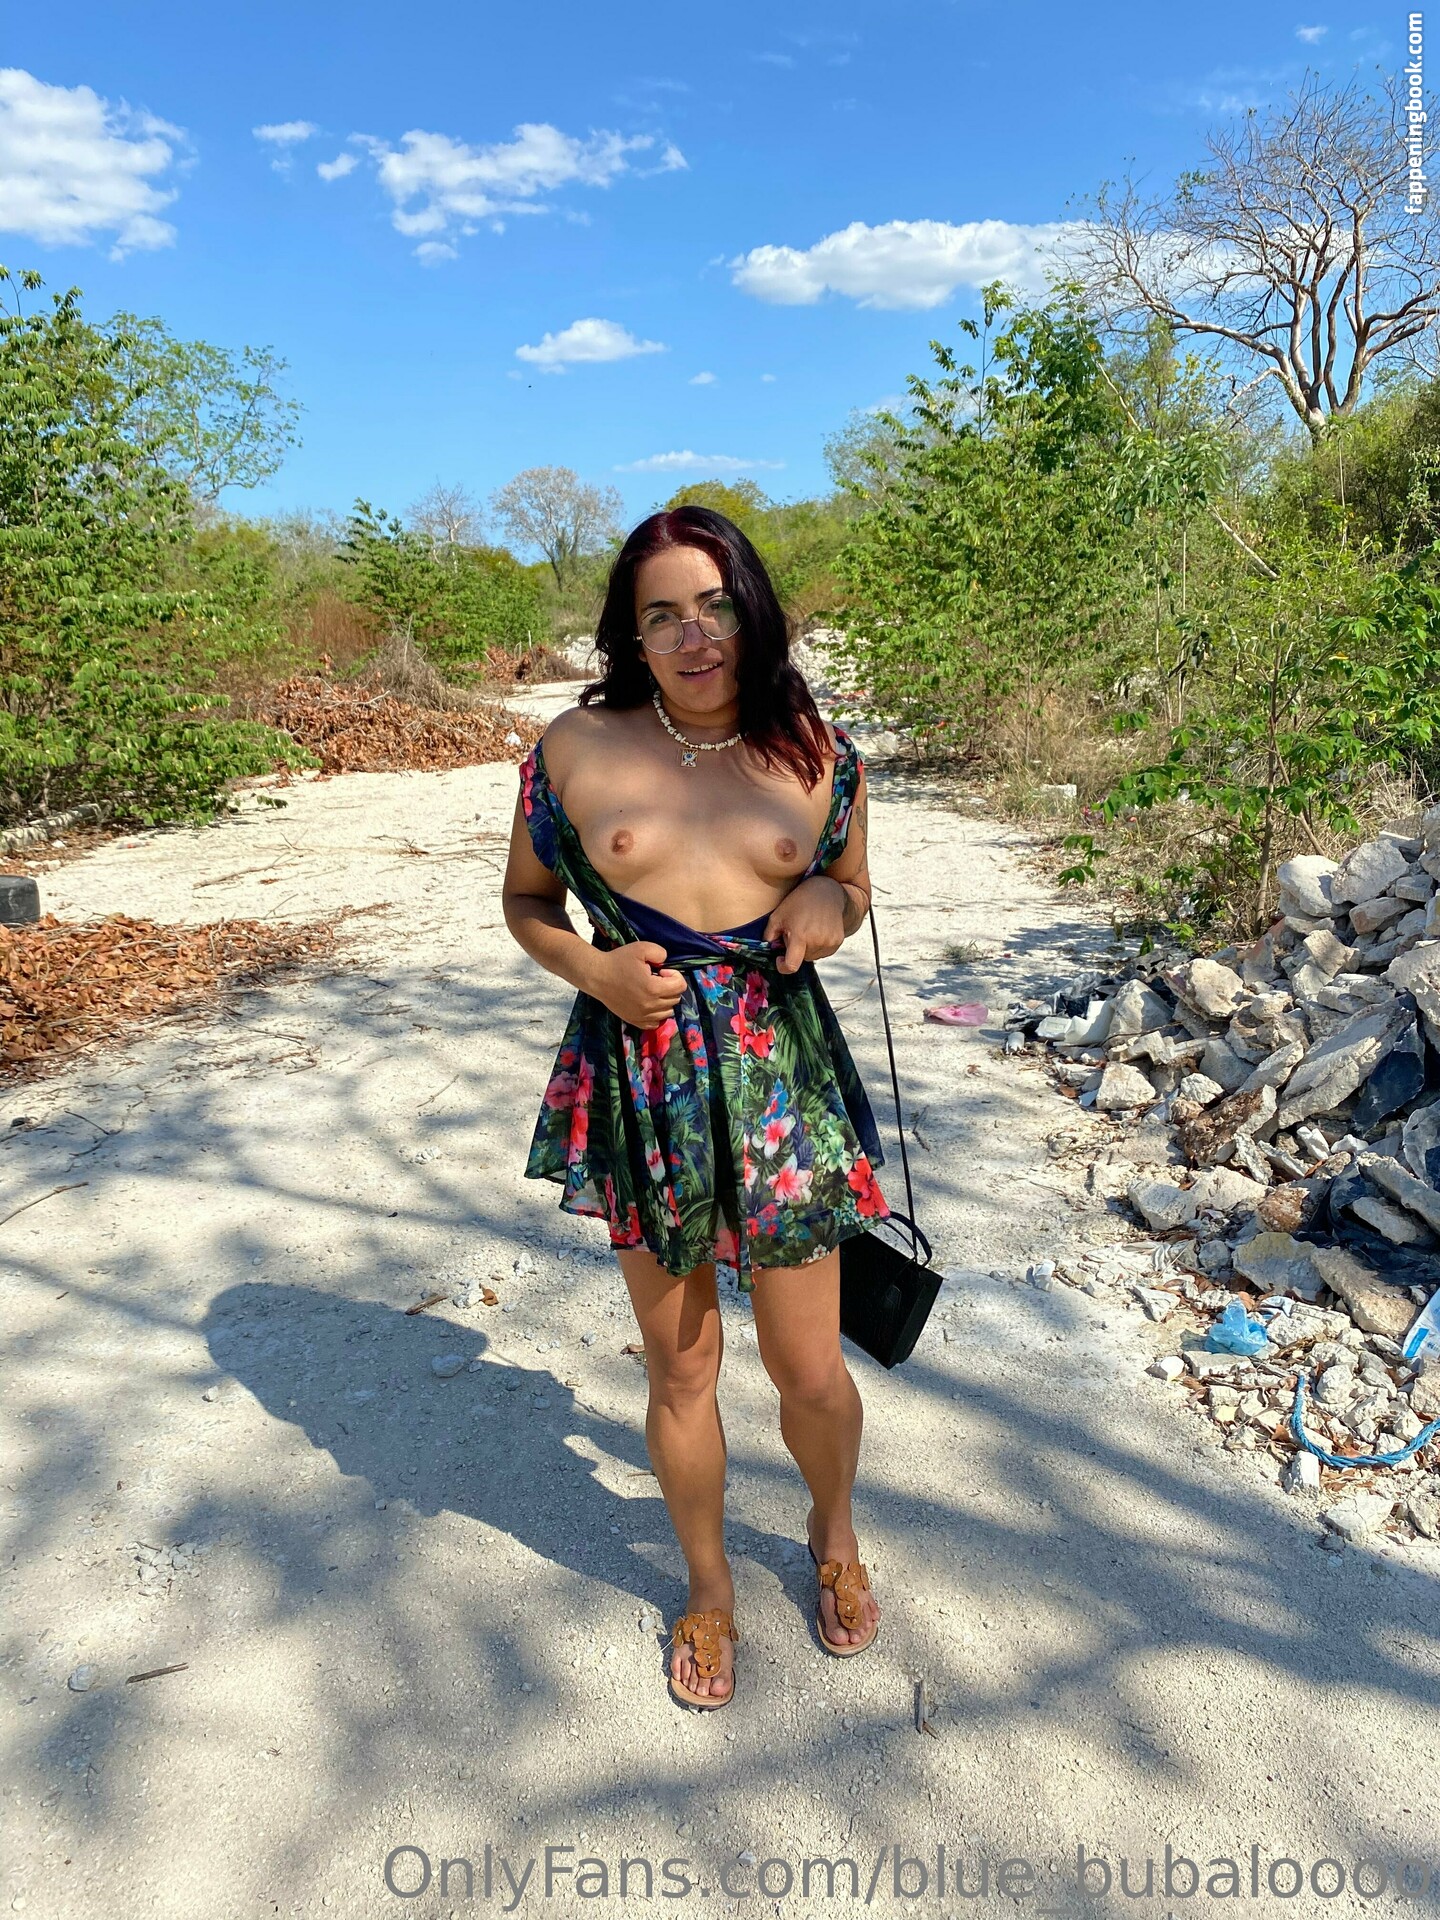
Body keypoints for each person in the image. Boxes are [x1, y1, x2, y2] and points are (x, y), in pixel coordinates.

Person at [502, 506, 887, 1711]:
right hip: (644, 1074)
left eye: (715, 605)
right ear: (630, 631)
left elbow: (852, 884)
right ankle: (709, 1590)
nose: (694, 635)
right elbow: (527, 904)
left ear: (752, 610)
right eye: (662, 613)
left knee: (808, 1368)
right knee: (682, 1371)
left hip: (779, 1078)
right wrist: (595, 971)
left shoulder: (819, 750)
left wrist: (829, 901)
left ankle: (833, 1533)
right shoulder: (573, 747)